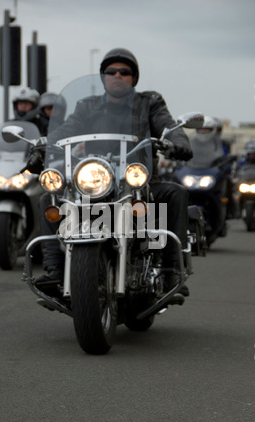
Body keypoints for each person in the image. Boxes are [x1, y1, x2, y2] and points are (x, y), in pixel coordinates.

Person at [32, 48, 193, 297]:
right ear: (103, 76)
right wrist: (42, 146)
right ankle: (55, 271)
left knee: (175, 194)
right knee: (49, 198)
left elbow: (167, 125)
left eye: (125, 72)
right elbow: (67, 129)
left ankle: (171, 272)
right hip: (96, 178)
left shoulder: (149, 102)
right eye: (111, 71)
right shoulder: (87, 106)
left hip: (138, 179)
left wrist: (177, 140)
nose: (118, 75)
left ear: (134, 78)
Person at [0, 87, 45, 261]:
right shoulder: (7, 126)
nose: (23, 108)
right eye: (20, 104)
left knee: (49, 199)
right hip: (10, 169)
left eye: (27, 104)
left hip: (35, 170)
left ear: (34, 106)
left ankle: (49, 247)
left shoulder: (43, 125)